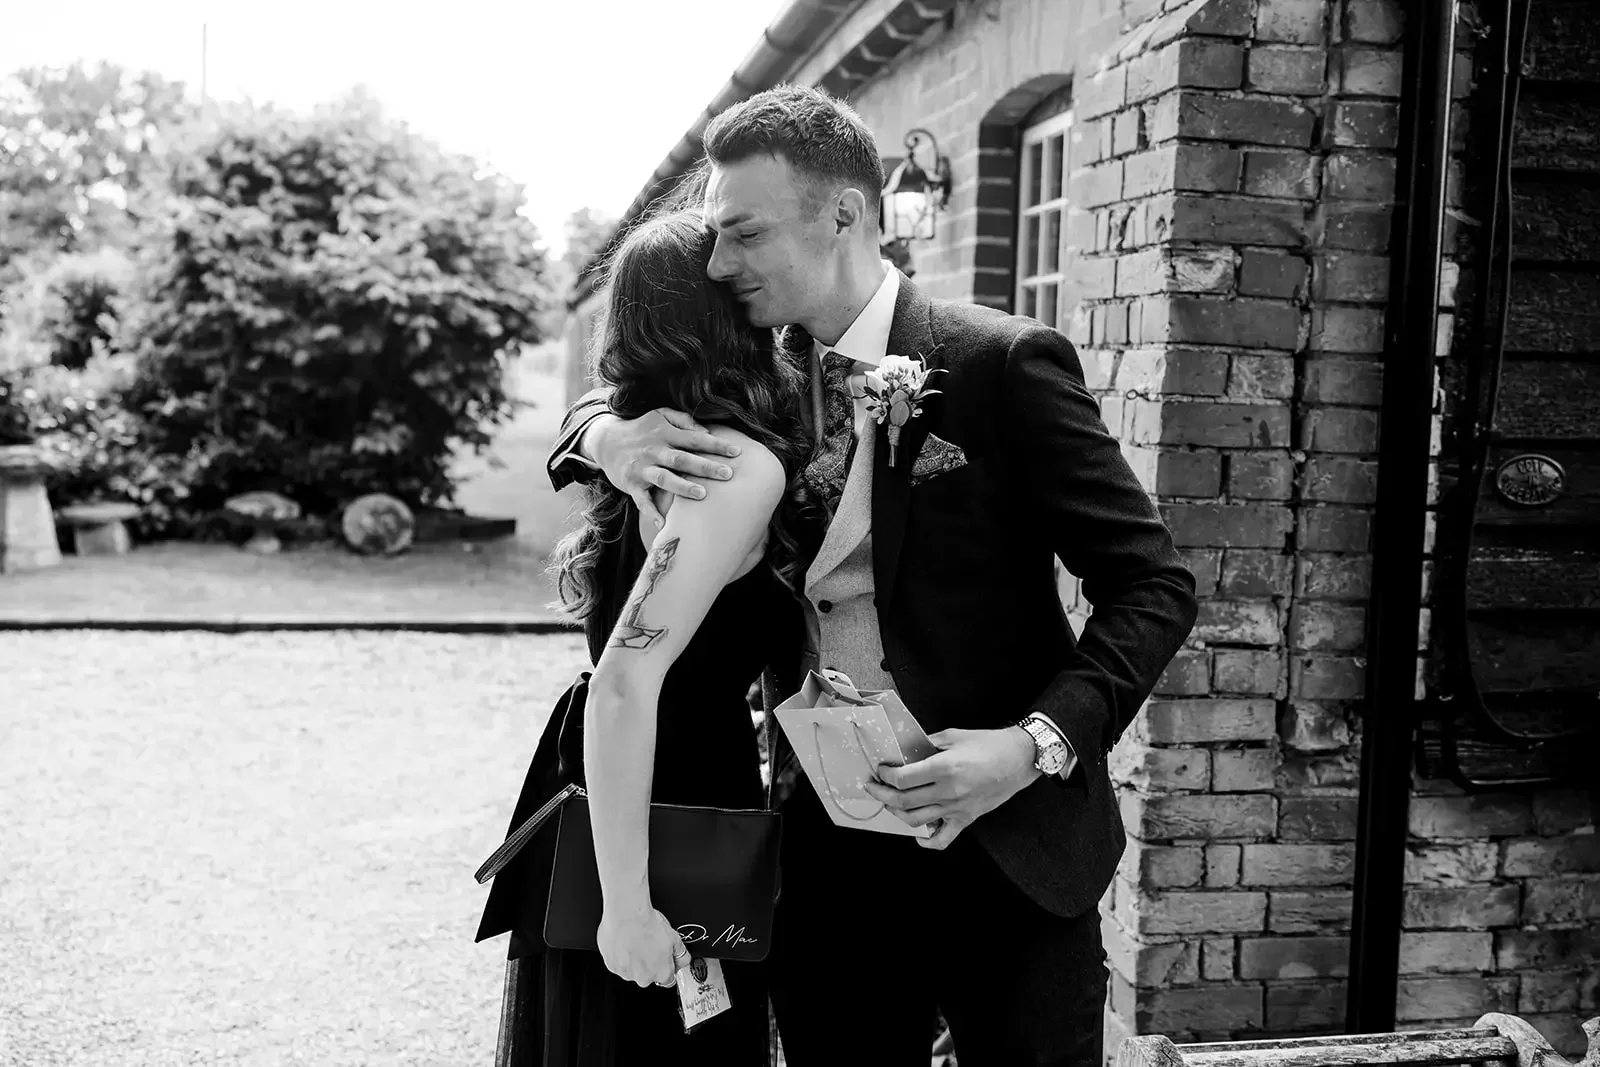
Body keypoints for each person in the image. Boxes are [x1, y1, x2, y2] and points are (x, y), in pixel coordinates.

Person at [547, 84, 1199, 1067]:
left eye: (743, 233)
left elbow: (1152, 585)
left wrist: (1031, 745)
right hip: (830, 866)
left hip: (1011, 850)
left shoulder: (1002, 364)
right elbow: (633, 372)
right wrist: (601, 432)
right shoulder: (758, 387)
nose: (718, 261)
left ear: (845, 213)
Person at [478, 207, 811, 1065]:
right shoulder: (725, 465)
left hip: (609, 767)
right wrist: (625, 901)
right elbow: (628, 682)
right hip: (667, 780)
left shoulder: (640, 438)